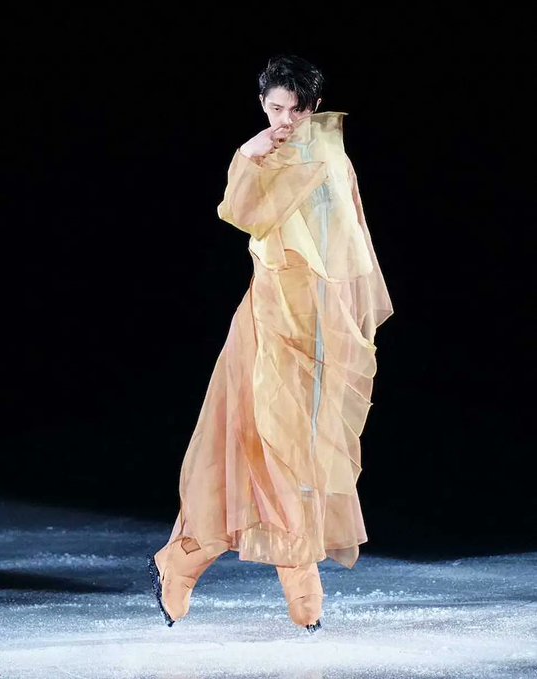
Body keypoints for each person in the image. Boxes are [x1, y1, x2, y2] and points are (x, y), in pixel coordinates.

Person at [147, 54, 394, 633]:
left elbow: (350, 242)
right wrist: (247, 154)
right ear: (263, 103)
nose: (284, 120)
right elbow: (240, 213)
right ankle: (233, 571)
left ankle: (196, 563)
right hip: (269, 318)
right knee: (254, 442)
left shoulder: (329, 156)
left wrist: (349, 323)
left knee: (302, 453)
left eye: (295, 110)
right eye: (275, 108)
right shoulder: (265, 155)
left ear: (314, 108)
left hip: (319, 324)